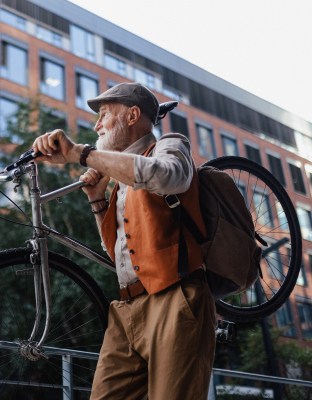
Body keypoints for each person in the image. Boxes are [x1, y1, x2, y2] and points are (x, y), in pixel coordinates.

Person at [31, 82, 216, 400]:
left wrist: (82, 154)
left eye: (104, 114)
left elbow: (168, 176)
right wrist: (97, 198)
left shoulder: (168, 145)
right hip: (126, 311)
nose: (97, 124)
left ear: (133, 115)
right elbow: (122, 254)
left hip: (175, 300)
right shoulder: (118, 178)